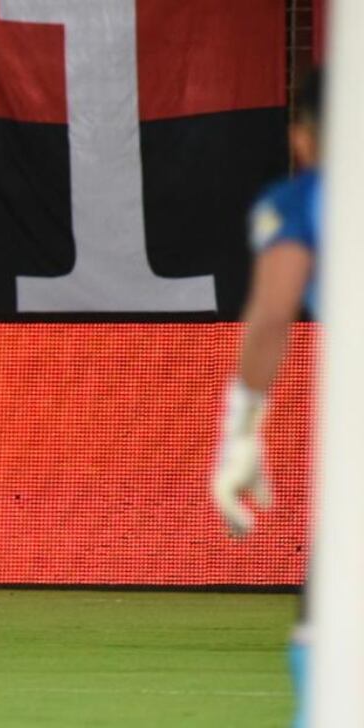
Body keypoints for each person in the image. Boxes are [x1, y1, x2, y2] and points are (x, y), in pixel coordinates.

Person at [213, 68, 321, 728]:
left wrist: (242, 433)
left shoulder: (305, 199)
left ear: (305, 138)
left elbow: (272, 315)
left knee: (327, 638)